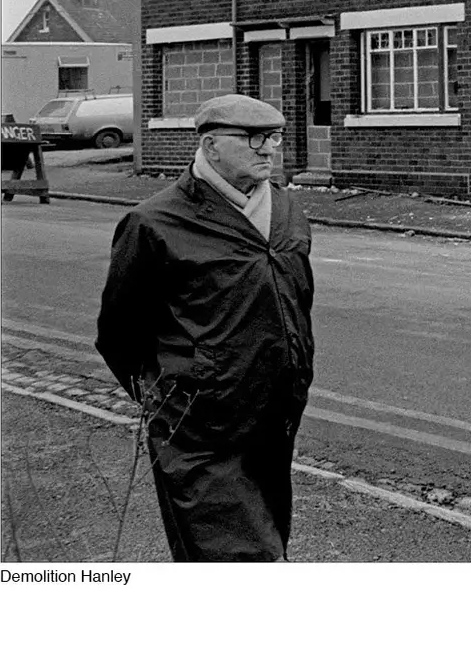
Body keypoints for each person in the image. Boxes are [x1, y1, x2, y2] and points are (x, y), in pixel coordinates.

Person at [96, 94, 315, 561]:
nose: (268, 149)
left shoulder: (286, 209)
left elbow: (298, 300)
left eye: (274, 137)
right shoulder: (153, 222)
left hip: (276, 414)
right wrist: (178, 393)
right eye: (254, 138)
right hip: (200, 428)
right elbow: (118, 331)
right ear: (211, 145)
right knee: (236, 558)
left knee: (269, 543)